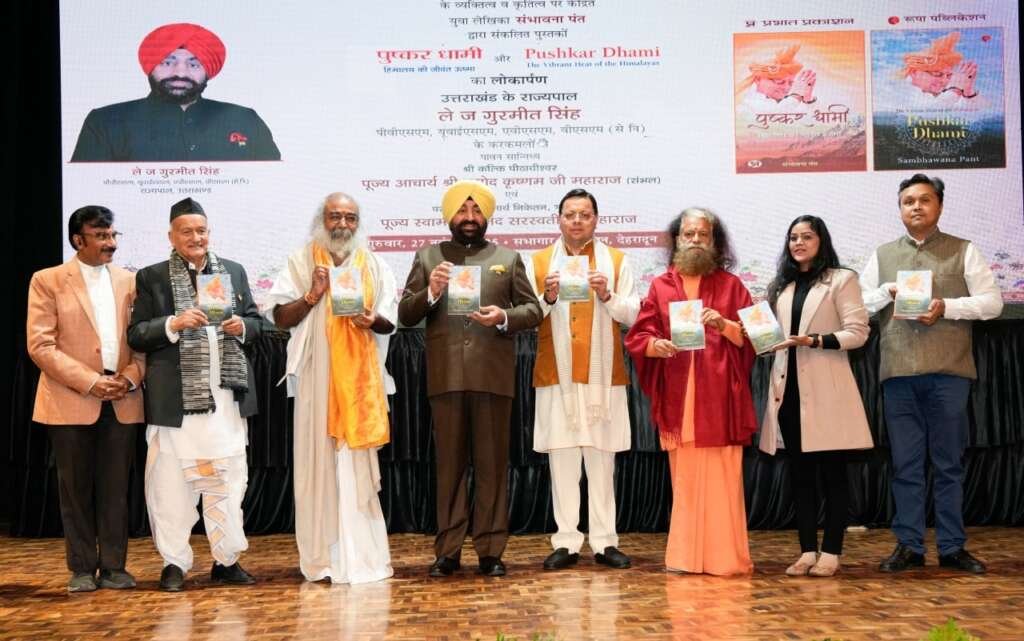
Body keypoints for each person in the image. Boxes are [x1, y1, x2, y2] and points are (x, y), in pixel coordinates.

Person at [397, 180, 542, 577]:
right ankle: (448, 551)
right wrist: (431, 291)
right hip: (446, 377)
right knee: (449, 468)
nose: (470, 217)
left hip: (492, 376)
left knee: (492, 467)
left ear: (487, 216)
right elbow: (405, 315)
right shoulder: (428, 258)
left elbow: (533, 310)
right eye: (462, 210)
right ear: (449, 215)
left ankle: (491, 550)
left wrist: (504, 317)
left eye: (477, 210)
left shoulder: (507, 258)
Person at [860, 174, 1002, 574]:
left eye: (924, 200)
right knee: (905, 465)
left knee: (948, 465)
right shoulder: (882, 254)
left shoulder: (964, 250)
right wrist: (886, 291)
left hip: (949, 373)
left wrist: (947, 307)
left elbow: (992, 303)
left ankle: (952, 546)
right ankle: (909, 545)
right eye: (908, 201)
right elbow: (858, 304)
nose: (916, 207)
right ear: (900, 209)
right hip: (899, 374)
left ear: (939, 206)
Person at [128, 197, 263, 591]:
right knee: (170, 486)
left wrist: (243, 327)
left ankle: (227, 560)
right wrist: (174, 323)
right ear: (171, 236)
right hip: (176, 404)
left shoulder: (233, 271)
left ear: (209, 233)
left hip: (225, 401)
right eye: (186, 231)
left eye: (201, 230)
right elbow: (137, 334)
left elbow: (257, 322)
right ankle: (174, 563)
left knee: (228, 483)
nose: (195, 237)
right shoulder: (152, 277)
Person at [264, 192, 395, 584]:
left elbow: (390, 322)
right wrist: (312, 295)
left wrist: (372, 320)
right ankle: (323, 559)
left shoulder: (373, 265)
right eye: (335, 216)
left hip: (359, 384)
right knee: (316, 466)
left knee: (355, 469)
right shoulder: (301, 261)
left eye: (350, 217)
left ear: (358, 223)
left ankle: (362, 559)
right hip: (316, 382)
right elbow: (279, 317)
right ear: (321, 220)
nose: (342, 224)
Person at [624, 207, 756, 576]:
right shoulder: (661, 286)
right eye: (688, 234)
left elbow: (757, 338)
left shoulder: (732, 286)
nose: (695, 240)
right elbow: (641, 335)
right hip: (680, 400)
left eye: (703, 234)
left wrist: (725, 324)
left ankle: (724, 560)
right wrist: (657, 346)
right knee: (685, 481)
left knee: (723, 482)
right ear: (677, 239)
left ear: (714, 241)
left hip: (721, 401)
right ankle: (685, 558)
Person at [26, 206, 145, 593]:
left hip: (122, 397)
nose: (111, 243)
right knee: (75, 490)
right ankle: (81, 568)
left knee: (116, 489)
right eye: (101, 236)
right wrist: (92, 382)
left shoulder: (131, 281)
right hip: (70, 397)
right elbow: (40, 345)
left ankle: (113, 567)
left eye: (113, 235)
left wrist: (129, 378)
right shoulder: (47, 280)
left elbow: (142, 341)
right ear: (78, 240)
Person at [523, 189, 639, 571]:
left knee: (602, 463)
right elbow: (527, 314)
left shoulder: (617, 261)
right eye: (570, 214)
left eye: (584, 214)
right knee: (563, 461)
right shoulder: (538, 261)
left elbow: (633, 314)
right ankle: (567, 541)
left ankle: (605, 542)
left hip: (602, 380)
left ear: (596, 220)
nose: (576, 221)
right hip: (557, 376)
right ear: (558, 219)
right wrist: (547, 296)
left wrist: (607, 294)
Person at [758, 215, 872, 577]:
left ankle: (832, 552)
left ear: (821, 241)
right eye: (793, 237)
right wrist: (759, 339)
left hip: (828, 392)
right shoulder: (782, 286)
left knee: (833, 476)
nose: (798, 243)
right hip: (788, 392)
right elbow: (773, 337)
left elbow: (858, 332)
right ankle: (807, 550)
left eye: (807, 236)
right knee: (801, 477)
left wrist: (816, 340)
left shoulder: (842, 279)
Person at [71, 23, 280, 162]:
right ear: (150, 66)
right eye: (167, 62)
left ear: (208, 69)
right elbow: (86, 192)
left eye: (194, 64)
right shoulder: (106, 122)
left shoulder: (244, 120)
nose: (180, 72)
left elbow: (272, 184)